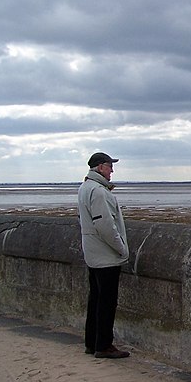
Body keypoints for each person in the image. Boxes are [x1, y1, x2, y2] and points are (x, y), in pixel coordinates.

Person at [77, 152, 130, 359]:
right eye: (109, 166)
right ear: (100, 167)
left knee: (96, 300)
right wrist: (122, 249)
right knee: (106, 302)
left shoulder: (84, 188)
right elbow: (106, 226)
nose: (112, 171)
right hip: (105, 256)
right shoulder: (99, 192)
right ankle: (104, 345)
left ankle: (92, 343)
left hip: (93, 254)